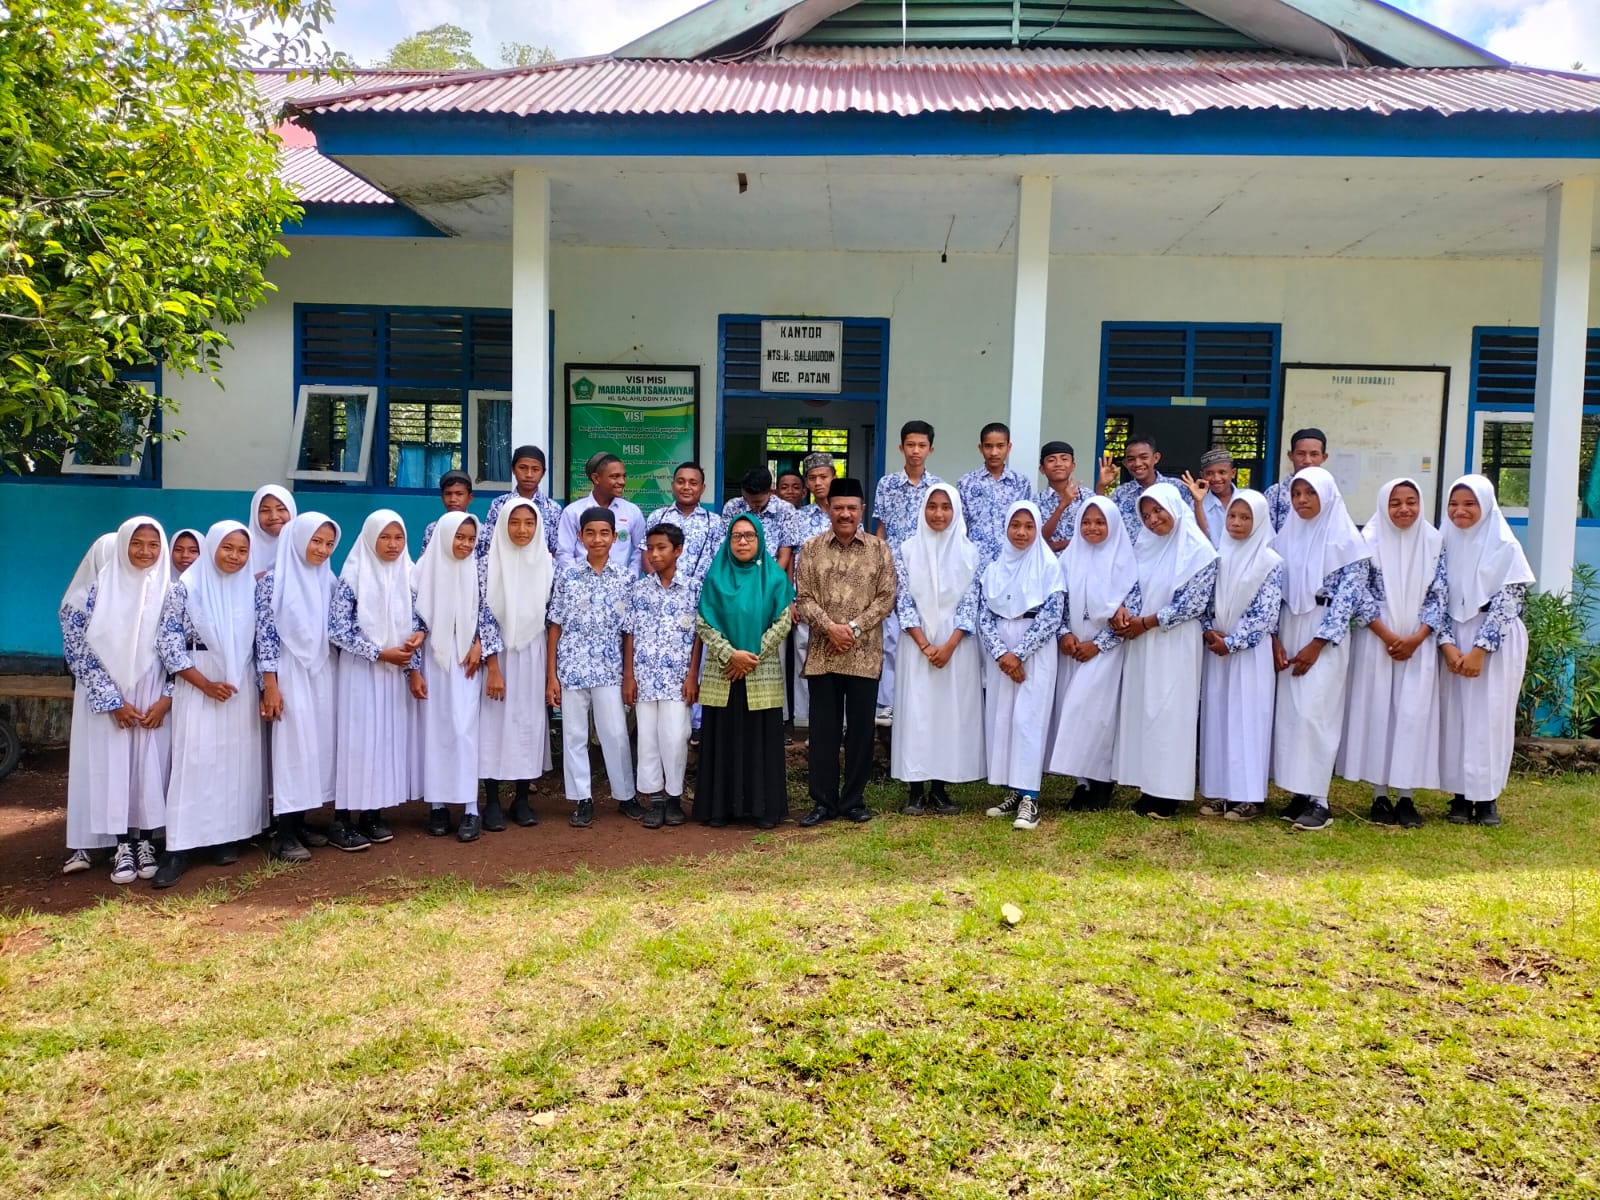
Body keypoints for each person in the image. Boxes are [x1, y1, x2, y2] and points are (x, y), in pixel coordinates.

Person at [153, 521, 266, 887]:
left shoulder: (250, 588)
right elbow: (168, 643)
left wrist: (263, 688)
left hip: (239, 684)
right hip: (199, 678)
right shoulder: (186, 587)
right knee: (195, 761)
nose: (235, 557)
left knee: (233, 761)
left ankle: (225, 838)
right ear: (213, 547)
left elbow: (261, 643)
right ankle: (179, 848)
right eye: (227, 548)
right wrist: (204, 684)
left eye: (243, 551)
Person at [61, 519, 172, 884]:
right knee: (112, 766)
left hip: (151, 695)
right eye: (136, 543)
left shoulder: (167, 591)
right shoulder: (89, 595)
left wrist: (167, 698)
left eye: (153, 544)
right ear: (123, 545)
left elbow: (177, 648)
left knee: (147, 767)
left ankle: (145, 842)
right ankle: (121, 846)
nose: (145, 551)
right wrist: (112, 701)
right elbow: (79, 652)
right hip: (110, 700)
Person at [1338, 478, 1447, 828]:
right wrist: (1386, 635)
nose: (1404, 509)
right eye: (1395, 502)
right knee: (1378, 714)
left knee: (1412, 715)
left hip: (1419, 642)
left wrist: (1417, 637)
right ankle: (1379, 795)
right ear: (1383, 505)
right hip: (1376, 640)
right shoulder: (1367, 541)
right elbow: (1359, 594)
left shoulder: (1434, 541)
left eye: (1411, 501)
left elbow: (1440, 594)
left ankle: (1407, 796)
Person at [1270, 467, 1370, 833]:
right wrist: (1274, 637)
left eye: (1310, 493)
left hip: (1324, 633)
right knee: (1291, 713)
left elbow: (1347, 600)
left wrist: (1317, 644)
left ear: (1326, 495)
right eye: (1296, 494)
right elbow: (1273, 591)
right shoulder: (1286, 537)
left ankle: (1319, 800)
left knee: (1317, 712)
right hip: (1289, 626)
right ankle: (1298, 791)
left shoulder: (1349, 544)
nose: (1302, 501)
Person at [1110, 484, 1219, 818]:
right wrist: (1123, 610)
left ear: (1173, 507)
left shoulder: (1199, 551)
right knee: (1145, 710)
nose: (1153, 520)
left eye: (1158, 511)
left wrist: (1147, 622)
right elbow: (1131, 585)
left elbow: (1193, 604)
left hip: (1175, 641)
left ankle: (1168, 794)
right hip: (1143, 640)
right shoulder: (1146, 545)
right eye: (1146, 515)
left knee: (1171, 713)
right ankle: (1149, 787)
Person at [795, 478, 896, 826]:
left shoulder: (879, 550)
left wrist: (851, 629)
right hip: (823, 655)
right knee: (823, 732)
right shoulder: (811, 549)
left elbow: (886, 598)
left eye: (852, 508)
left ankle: (854, 800)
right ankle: (823, 801)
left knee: (860, 732)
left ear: (862, 510)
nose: (845, 514)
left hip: (864, 656)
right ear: (829, 509)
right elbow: (804, 598)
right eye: (838, 507)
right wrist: (830, 629)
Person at [1437, 475, 1533, 827]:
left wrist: (1480, 649)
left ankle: (1487, 797)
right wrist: (1447, 644)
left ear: (1487, 506)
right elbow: (1435, 596)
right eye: (1453, 504)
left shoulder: (1505, 546)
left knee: (1489, 717)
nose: (1459, 511)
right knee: (1455, 716)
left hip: (1496, 639)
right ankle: (1460, 795)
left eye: (1469, 504)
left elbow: (1509, 601)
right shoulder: (1442, 542)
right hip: (1453, 638)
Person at [330, 510, 423, 852]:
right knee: (357, 741)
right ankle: (341, 818)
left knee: (385, 740)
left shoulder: (409, 574)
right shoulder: (352, 576)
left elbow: (418, 621)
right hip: (361, 672)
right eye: (385, 537)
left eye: (398, 538)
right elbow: (337, 630)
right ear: (370, 538)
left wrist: (415, 646)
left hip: (394, 672)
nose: (393, 544)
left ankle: (372, 813)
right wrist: (379, 653)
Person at [694, 515, 794, 828]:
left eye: (749, 536)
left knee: (760, 740)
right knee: (723, 739)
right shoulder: (715, 577)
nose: (742, 542)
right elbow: (703, 623)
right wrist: (731, 655)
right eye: (736, 536)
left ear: (760, 540)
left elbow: (784, 622)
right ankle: (720, 809)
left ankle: (763, 809)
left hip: (760, 671)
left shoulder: (774, 577)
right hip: (723, 671)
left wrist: (750, 656)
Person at [891, 483, 984, 815]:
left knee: (948, 715)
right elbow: (903, 600)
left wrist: (949, 645)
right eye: (932, 506)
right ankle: (915, 790)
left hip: (956, 646)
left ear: (956, 511)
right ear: (923, 509)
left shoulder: (971, 553)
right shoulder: (905, 550)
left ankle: (941, 789)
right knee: (917, 713)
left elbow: (971, 601)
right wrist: (925, 644)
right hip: (916, 644)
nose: (939, 513)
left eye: (946, 507)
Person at [256, 512, 342, 862]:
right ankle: (284, 834)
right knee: (292, 749)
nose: (322, 549)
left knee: (315, 748)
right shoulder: (272, 581)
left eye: (329, 544)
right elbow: (264, 635)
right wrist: (270, 684)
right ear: (296, 539)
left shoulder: (328, 579)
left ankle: (301, 822)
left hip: (322, 671)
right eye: (315, 541)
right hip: (288, 672)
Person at [545, 507, 639, 828]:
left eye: (604, 533)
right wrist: (551, 676)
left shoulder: (625, 578)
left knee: (615, 733)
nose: (597, 539)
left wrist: (629, 675)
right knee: (574, 735)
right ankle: (582, 798)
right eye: (590, 533)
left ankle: (625, 795)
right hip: (571, 669)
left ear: (614, 537)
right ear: (580, 536)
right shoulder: (568, 577)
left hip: (609, 670)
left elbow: (629, 631)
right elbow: (555, 625)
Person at [977, 501, 1065, 832]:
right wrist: (1002, 653)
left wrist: (1020, 653)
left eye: (1029, 526)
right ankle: (1014, 790)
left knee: (1029, 719)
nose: (1022, 532)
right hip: (1001, 653)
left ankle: (1031, 797)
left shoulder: (1049, 566)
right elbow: (984, 615)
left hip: (1035, 651)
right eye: (1015, 525)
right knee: (1003, 720)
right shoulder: (995, 567)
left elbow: (1052, 615)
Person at [1044, 497, 1136, 812]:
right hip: (1073, 649)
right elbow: (1057, 603)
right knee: (1073, 715)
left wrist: (1099, 644)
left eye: (1099, 522)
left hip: (1106, 650)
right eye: (1086, 522)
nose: (1092, 528)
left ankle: (1100, 783)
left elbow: (1129, 612)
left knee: (1096, 716)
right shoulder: (1068, 560)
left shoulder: (1126, 563)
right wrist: (1064, 634)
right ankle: (1082, 782)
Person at [1197, 491, 1284, 821]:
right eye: (1232, 516)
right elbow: (1206, 601)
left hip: (1248, 653)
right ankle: (1220, 791)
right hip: (1217, 650)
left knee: (1247, 719)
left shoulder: (1270, 562)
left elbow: (1265, 613)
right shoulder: (1218, 556)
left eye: (1245, 517)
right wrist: (1210, 631)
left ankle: (1249, 796)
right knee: (1218, 718)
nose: (1236, 523)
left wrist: (1232, 642)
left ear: (1258, 521)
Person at [412, 512, 493, 842]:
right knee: (434, 730)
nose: (465, 544)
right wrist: (413, 669)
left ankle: (471, 807)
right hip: (433, 659)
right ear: (444, 537)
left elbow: (489, 614)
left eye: (471, 538)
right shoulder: (421, 571)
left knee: (464, 730)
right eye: (459, 537)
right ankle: (438, 805)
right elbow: (413, 622)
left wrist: (480, 644)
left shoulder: (478, 570)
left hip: (465, 660)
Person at [478, 497, 555, 832]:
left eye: (529, 523)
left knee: (528, 722)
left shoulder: (548, 564)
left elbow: (552, 618)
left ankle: (522, 798)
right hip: (498, 655)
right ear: (502, 524)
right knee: (492, 725)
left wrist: (551, 672)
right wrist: (493, 667)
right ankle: (492, 801)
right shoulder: (486, 564)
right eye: (514, 522)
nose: (522, 530)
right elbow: (482, 616)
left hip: (534, 651)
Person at [624, 524, 703, 829]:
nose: (654, 555)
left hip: (677, 679)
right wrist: (629, 676)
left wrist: (693, 675)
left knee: (675, 738)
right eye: (651, 548)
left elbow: (699, 636)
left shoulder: (693, 588)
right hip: (644, 677)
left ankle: (674, 799)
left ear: (678, 550)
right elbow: (629, 633)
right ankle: (655, 800)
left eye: (662, 548)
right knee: (647, 739)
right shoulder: (639, 589)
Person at [58, 532, 121, 874]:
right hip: (96, 698)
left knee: (127, 769)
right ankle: (84, 843)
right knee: (92, 766)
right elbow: (78, 654)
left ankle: (124, 840)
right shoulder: (79, 600)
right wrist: (111, 698)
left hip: (135, 696)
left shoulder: (137, 595)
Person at [874, 420, 943, 726]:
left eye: (922, 446)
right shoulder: (887, 484)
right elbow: (881, 528)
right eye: (911, 445)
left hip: (927, 571)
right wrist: (878, 563)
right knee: (891, 637)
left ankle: (921, 700)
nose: (916, 451)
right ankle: (888, 703)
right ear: (901, 447)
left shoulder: (938, 487)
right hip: (893, 568)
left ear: (931, 449)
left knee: (924, 632)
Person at [789, 452, 837, 729]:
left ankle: (836, 722)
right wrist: (790, 598)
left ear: (833, 477)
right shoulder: (799, 517)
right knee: (805, 659)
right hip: (807, 602)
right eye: (813, 478)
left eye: (823, 477)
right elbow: (792, 559)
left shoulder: (845, 512)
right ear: (806, 483)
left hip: (841, 604)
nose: (818, 483)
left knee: (838, 660)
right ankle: (805, 721)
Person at [956, 422, 1033, 565]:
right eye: (988, 446)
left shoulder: (1021, 483)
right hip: (975, 561)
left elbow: (1027, 523)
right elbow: (960, 526)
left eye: (1000, 446)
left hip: (1011, 561)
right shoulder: (966, 483)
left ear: (1009, 447)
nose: (994, 452)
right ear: (980, 448)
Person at [556, 453, 645, 574]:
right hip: (582, 582)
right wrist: (576, 578)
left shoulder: (632, 511)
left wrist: (630, 576)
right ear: (596, 478)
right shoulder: (573, 512)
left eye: (624, 476)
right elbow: (564, 552)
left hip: (620, 583)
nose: (622, 481)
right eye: (615, 476)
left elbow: (641, 549)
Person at [644, 461, 724, 583]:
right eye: (680, 482)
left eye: (693, 483)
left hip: (699, 592)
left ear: (702, 488)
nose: (686, 487)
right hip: (660, 590)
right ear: (673, 485)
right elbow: (646, 552)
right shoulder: (657, 517)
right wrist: (658, 585)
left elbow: (719, 561)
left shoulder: (714, 522)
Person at [480, 445, 562, 557]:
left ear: (543, 473)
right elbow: (486, 544)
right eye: (523, 468)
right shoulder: (499, 504)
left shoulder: (553, 509)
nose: (529, 474)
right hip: (504, 565)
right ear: (513, 469)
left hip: (539, 566)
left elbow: (556, 550)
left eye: (535, 469)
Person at [1099, 434, 1182, 541]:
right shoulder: (1121, 493)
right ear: (1125, 463)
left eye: (1144, 457)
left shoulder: (1177, 488)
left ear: (1156, 458)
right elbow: (1102, 520)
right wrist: (1101, 485)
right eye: (1131, 459)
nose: (1137, 463)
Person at [722, 466, 799, 573]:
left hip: (772, 572)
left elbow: (785, 555)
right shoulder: (732, 507)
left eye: (757, 502)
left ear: (771, 492)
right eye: (746, 499)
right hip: (738, 571)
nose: (751, 505)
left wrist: (771, 580)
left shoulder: (786, 510)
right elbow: (727, 546)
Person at [1264, 429, 1328, 532]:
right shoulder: (1274, 493)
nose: (1307, 460)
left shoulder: (1329, 492)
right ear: (1291, 456)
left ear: (1324, 457)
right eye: (1301, 454)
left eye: (1314, 454)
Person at [1036, 441, 1090, 554]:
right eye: (1051, 460)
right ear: (1042, 469)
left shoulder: (1086, 496)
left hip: (1082, 560)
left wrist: (1057, 545)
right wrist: (1062, 505)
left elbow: (1096, 532)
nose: (1058, 464)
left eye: (1064, 459)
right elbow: (1038, 541)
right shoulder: (1036, 502)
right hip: (1050, 563)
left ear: (1073, 466)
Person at [1190, 448, 1240, 549]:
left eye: (1222, 472)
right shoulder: (1196, 504)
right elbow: (1198, 540)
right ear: (1202, 476)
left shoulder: (1248, 500)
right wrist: (1198, 504)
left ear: (1233, 473)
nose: (1216, 478)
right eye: (1209, 473)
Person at [246, 484, 297, 580]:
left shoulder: (303, 549)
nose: (274, 517)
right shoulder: (241, 550)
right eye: (265, 510)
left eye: (281, 509)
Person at [422, 469, 475, 553]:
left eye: (459, 494)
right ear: (442, 497)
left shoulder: (479, 530)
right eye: (448, 494)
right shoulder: (433, 529)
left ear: (470, 498)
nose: (453, 499)